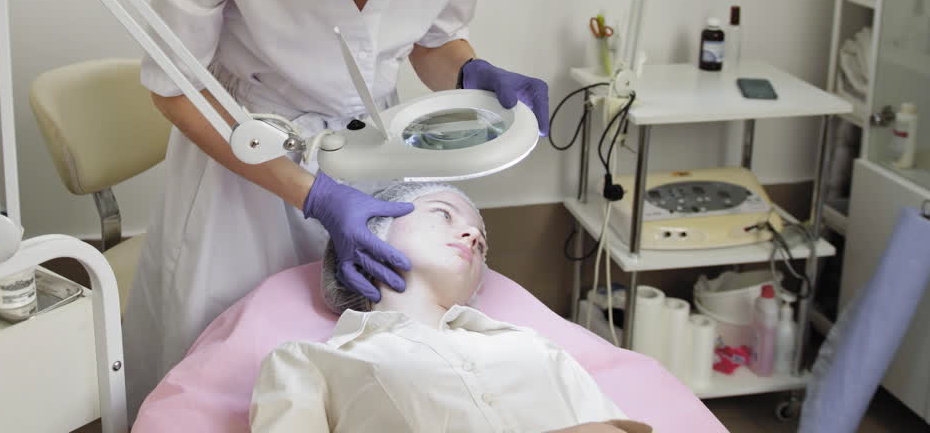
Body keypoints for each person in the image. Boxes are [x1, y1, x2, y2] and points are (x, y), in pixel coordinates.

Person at [124, 0, 550, 418]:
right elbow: (175, 90)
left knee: (370, 385)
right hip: (247, 173)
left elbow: (433, 41)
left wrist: (472, 75)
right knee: (229, 390)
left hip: (377, 168)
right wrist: (315, 194)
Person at [250, 183, 648, 433]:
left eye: (483, 243)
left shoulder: (532, 345)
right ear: (372, 230)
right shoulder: (307, 361)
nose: (473, 234)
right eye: (442, 213)